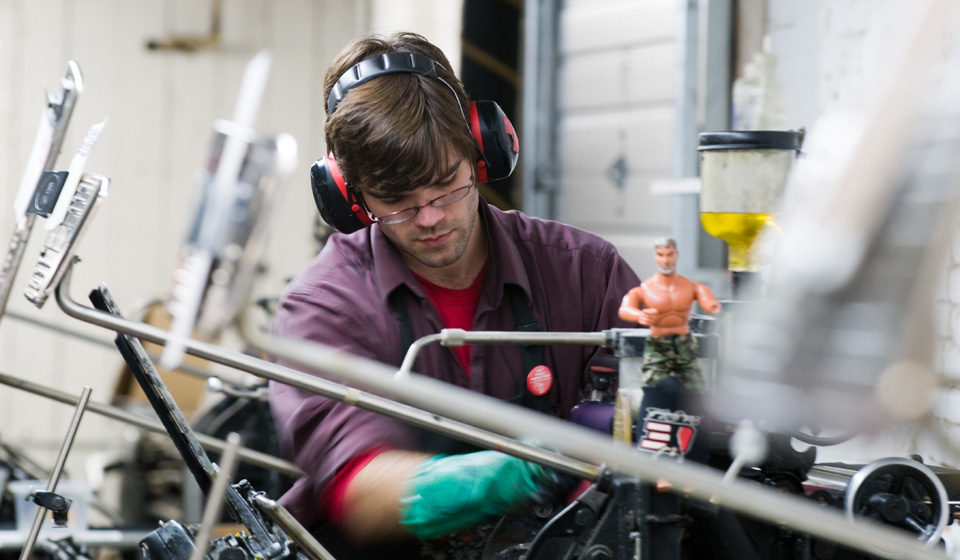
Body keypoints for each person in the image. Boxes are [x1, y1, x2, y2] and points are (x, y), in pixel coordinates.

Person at [268, 31, 640, 558]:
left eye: (447, 183)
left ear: (481, 148)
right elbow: (357, 487)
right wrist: (511, 473)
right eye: (396, 200)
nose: (431, 217)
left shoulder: (585, 273)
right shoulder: (323, 304)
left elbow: (658, 428)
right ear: (350, 195)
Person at [618, 238, 721, 389]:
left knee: (695, 388)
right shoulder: (646, 289)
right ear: (655, 256)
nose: (665, 260)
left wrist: (710, 304)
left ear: (676, 255)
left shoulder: (689, 287)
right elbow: (625, 309)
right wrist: (639, 315)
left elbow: (704, 294)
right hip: (658, 343)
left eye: (669, 254)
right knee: (653, 388)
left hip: (683, 343)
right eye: (661, 255)